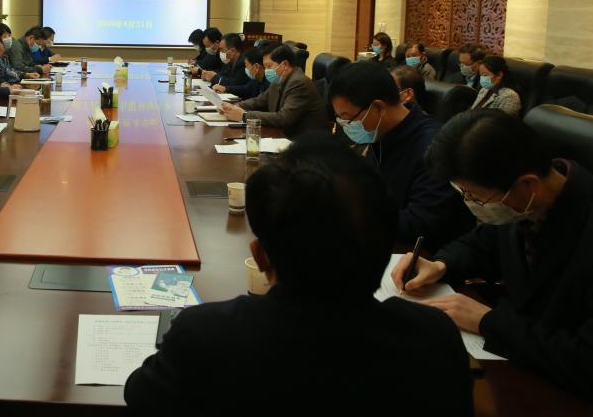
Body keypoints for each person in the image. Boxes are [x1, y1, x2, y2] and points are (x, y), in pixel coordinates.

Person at [125, 134, 472, 415]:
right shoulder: (433, 337)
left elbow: (140, 394)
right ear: (386, 248)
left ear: (260, 257)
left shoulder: (204, 333)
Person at [394, 110, 593, 405]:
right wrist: (439, 265)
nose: (470, 204)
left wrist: (488, 322)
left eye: (475, 196)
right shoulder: (522, 202)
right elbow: (482, 244)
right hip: (521, 370)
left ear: (528, 184)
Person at [329, 61, 474, 248]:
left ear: (378, 108)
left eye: (348, 117)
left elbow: (421, 222)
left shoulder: (433, 147)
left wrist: (355, 215)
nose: (345, 125)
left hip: (424, 254)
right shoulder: (382, 133)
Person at [220, 45, 327, 137]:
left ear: (284, 65)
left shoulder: (298, 83)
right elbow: (259, 101)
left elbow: (284, 118)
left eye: (269, 66)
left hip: (302, 141)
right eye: (265, 66)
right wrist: (234, 107)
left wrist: (244, 116)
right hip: (283, 135)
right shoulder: (279, 80)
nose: (266, 71)